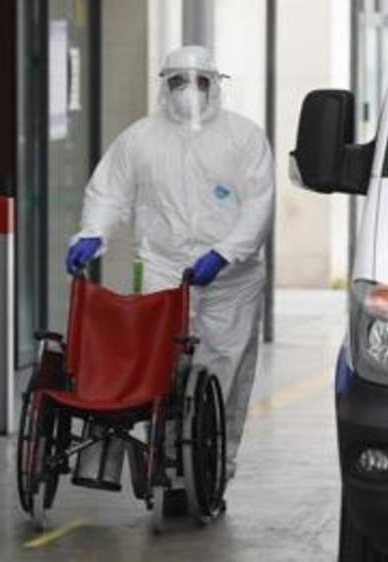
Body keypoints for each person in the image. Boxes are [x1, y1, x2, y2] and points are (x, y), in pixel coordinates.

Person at [65, 45, 274, 486]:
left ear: (217, 84)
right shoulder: (140, 138)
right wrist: (92, 233)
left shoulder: (244, 138)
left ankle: (214, 467)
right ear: (164, 86)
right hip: (162, 269)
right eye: (178, 81)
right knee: (156, 367)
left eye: (199, 81)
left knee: (223, 373)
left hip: (230, 281)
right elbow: (109, 193)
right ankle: (162, 461)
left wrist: (226, 252)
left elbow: (259, 205)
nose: (189, 90)